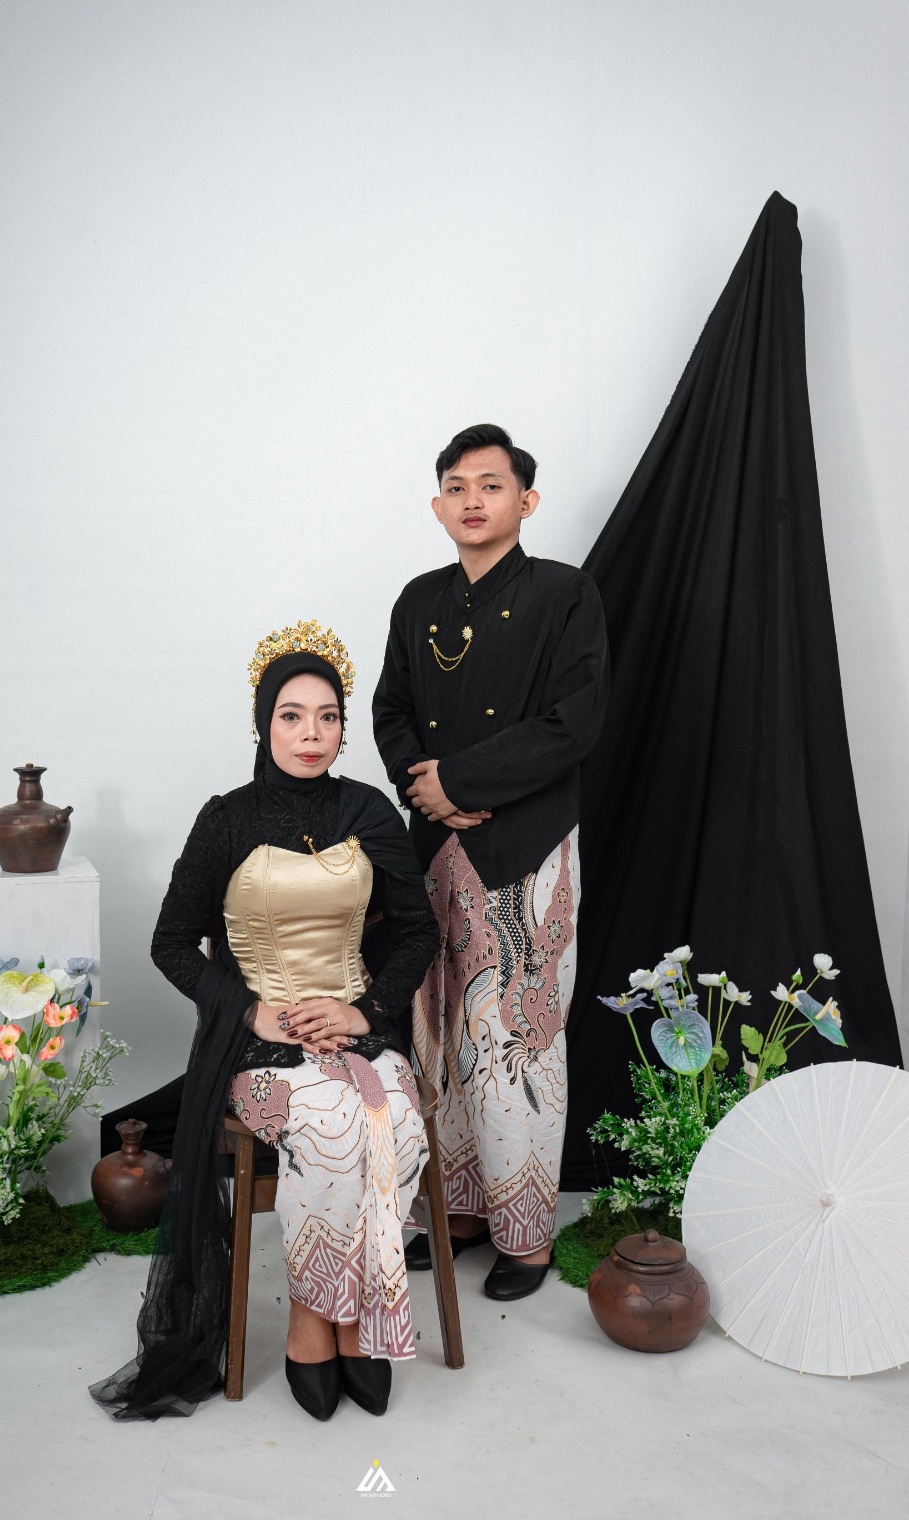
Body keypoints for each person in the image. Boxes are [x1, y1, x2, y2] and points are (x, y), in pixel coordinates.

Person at [91, 622, 439, 1422]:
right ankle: (315, 1318)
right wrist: (255, 1011)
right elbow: (171, 942)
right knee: (331, 1129)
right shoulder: (226, 820)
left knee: (393, 1123)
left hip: (361, 1028)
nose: (311, 733)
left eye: (327, 716)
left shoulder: (368, 810)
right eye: (292, 715)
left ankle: (354, 1320)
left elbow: (418, 931)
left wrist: (363, 1009)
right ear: (263, 723)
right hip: (257, 1046)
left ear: (343, 726)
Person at [372, 425, 609, 1301]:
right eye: (456, 486)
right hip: (432, 850)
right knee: (440, 1033)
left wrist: (463, 783)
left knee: (516, 1042)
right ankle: (461, 1213)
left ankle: (527, 1240)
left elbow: (574, 722)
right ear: (438, 506)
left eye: (491, 484)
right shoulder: (418, 600)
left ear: (526, 501)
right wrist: (426, 789)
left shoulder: (565, 593)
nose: (472, 500)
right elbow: (392, 710)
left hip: (525, 852)